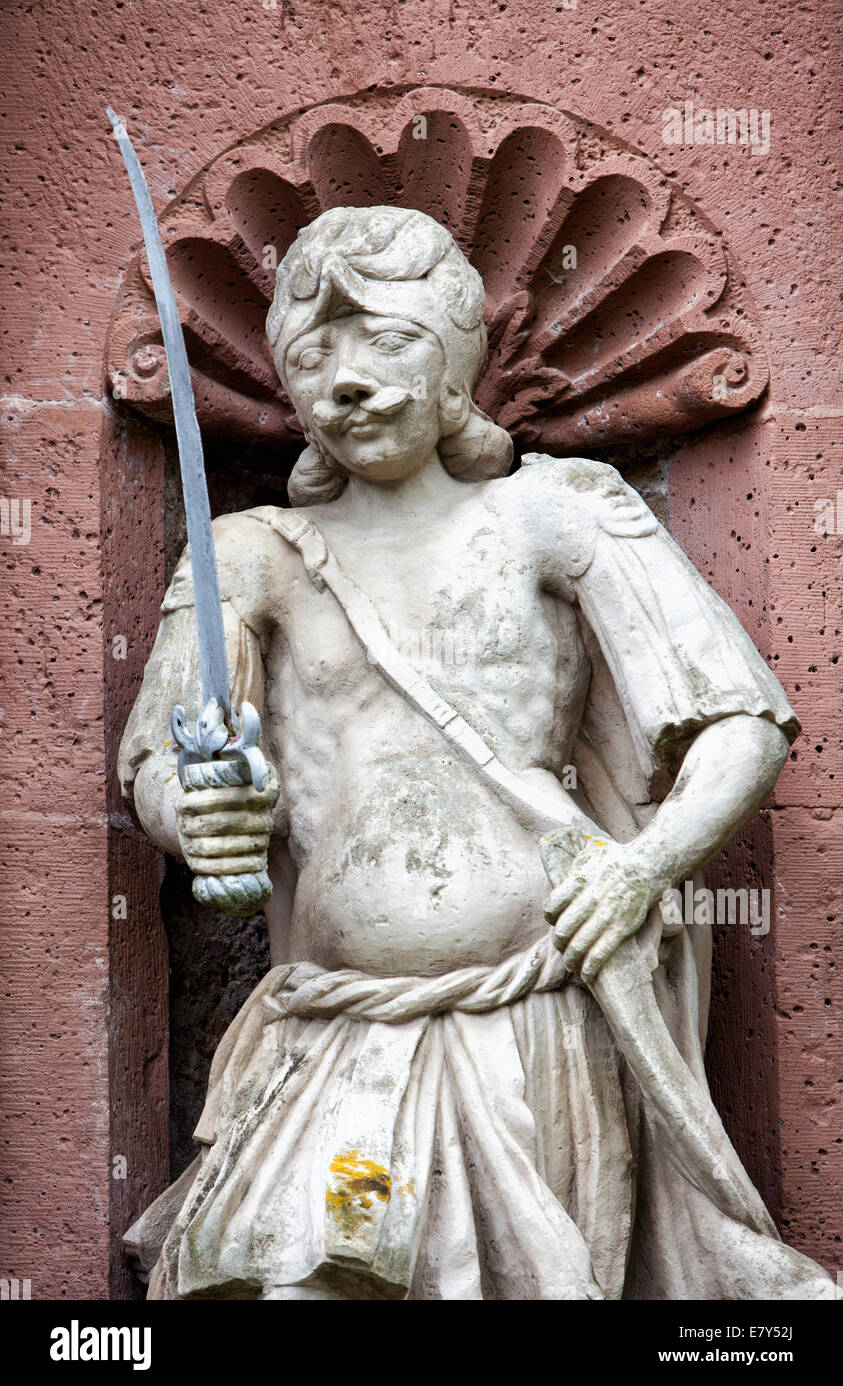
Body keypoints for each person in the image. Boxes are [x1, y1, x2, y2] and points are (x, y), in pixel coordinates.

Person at [119, 206, 834, 1300]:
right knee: (294, 1277)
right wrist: (195, 811)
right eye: (312, 356)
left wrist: (641, 869)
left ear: (456, 365)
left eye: (388, 343)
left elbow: (739, 722)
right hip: (338, 1047)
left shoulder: (555, 515)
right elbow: (162, 759)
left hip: (531, 1029)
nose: (346, 380)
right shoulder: (248, 558)